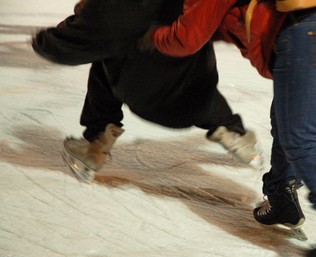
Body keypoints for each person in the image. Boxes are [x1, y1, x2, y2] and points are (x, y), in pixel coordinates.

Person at [140, 0, 316, 257]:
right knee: (286, 123)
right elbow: (217, 23)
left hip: (304, 33)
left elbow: (187, 38)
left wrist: (150, 38)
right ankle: (281, 198)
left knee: (298, 139)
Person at [31, 0, 262, 183]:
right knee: (188, 51)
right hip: (197, 93)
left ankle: (96, 143)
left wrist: (43, 41)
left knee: (107, 56)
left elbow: (78, 41)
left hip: (147, 95)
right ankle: (231, 130)